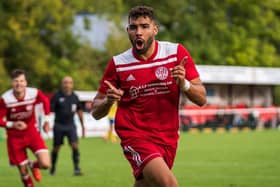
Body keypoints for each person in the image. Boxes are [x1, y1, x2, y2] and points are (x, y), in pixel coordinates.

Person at [91, 5, 206, 187]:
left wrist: (184, 83)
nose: (139, 32)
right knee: (169, 184)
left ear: (155, 29)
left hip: (167, 137)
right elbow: (95, 112)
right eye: (134, 27)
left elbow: (201, 99)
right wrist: (109, 100)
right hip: (135, 135)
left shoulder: (175, 54)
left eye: (144, 26)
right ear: (127, 31)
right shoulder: (118, 64)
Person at [0, 69, 51, 187]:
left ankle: (33, 165)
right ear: (12, 83)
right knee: (23, 173)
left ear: (26, 82)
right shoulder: (5, 99)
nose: (19, 84)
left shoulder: (33, 93)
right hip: (14, 137)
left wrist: (46, 121)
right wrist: (12, 124)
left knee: (46, 164)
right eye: (16, 81)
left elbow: (45, 101)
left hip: (31, 133)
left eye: (22, 81)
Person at [49, 76, 85, 176]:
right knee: (56, 148)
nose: (67, 85)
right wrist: (47, 122)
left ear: (72, 84)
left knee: (74, 146)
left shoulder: (75, 97)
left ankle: (77, 169)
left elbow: (80, 111)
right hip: (59, 125)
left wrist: (83, 126)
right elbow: (50, 110)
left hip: (71, 126)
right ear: (62, 84)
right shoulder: (57, 96)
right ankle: (53, 168)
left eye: (69, 83)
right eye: (65, 83)